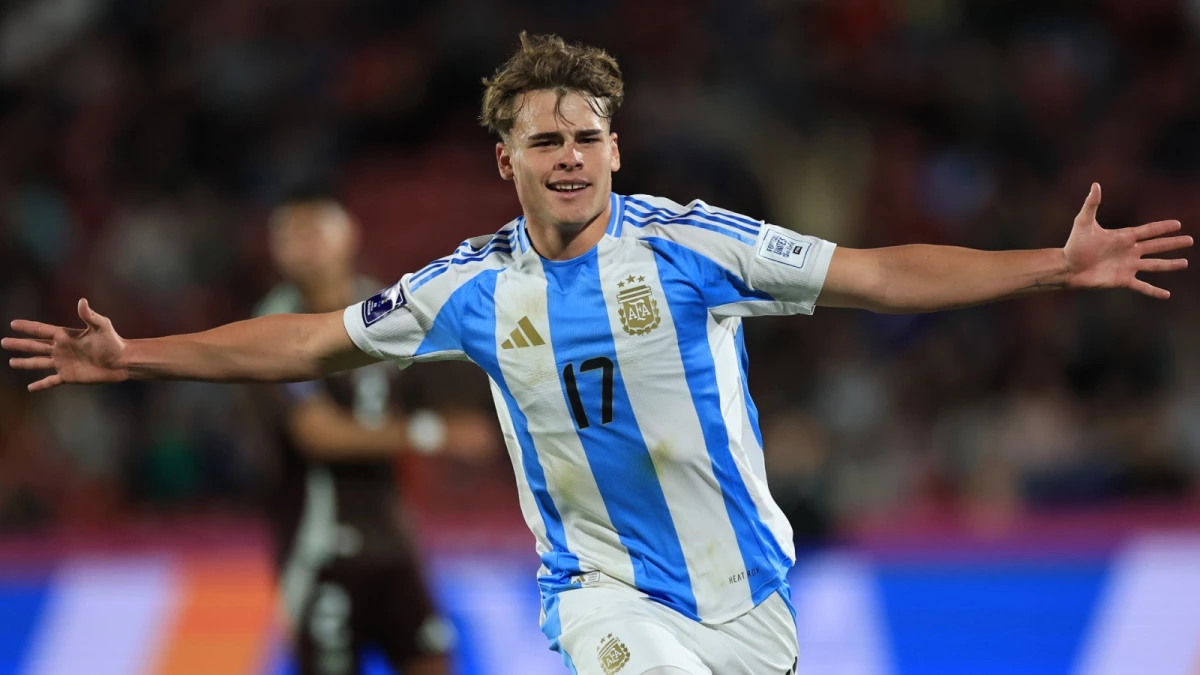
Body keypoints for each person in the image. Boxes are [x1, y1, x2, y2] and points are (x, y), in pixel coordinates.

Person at [4, 33, 1191, 675]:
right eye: (543, 140)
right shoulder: (470, 286)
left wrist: (1050, 264)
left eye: (586, 136)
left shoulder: (694, 246)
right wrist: (137, 356)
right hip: (603, 594)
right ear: (504, 162)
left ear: (615, 149)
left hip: (749, 600)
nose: (568, 155)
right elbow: (312, 341)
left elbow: (876, 275)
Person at [251, 194, 473, 675]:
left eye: (312, 231)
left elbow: (433, 391)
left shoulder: (386, 306)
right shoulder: (272, 327)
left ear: (348, 234)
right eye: (286, 235)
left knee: (432, 661)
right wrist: (431, 434)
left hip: (393, 539)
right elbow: (318, 434)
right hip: (320, 547)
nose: (298, 247)